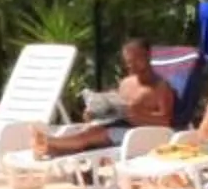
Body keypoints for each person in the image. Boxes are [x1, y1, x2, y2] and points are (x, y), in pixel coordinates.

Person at [35, 40, 179, 158]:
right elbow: (115, 109)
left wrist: (138, 115)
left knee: (92, 135)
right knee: (88, 130)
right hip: (118, 127)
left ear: (148, 56)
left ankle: (47, 141)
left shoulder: (161, 87)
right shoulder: (126, 83)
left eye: (136, 59)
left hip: (140, 134)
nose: (131, 65)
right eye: (128, 61)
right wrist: (95, 112)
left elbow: (166, 121)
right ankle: (48, 148)